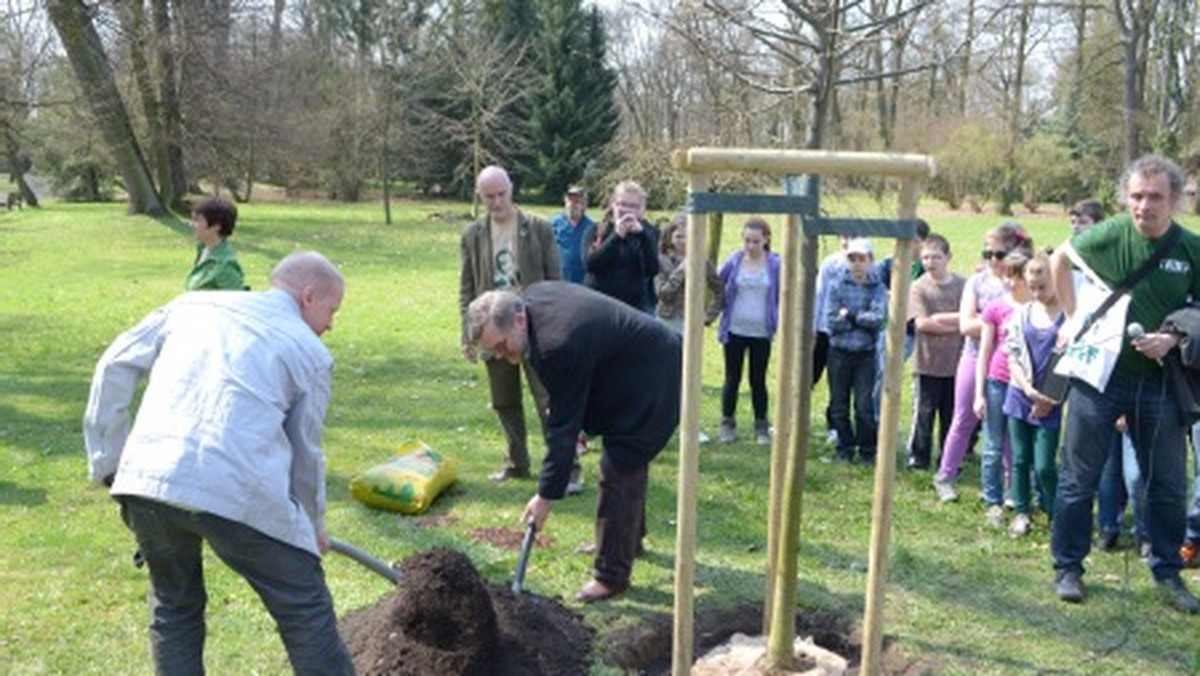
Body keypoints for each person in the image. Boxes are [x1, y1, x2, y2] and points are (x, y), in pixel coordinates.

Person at [83, 251, 354, 675]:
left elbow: (113, 364)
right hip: (236, 488)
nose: (330, 325)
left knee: (175, 608)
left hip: (147, 481)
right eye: (331, 310)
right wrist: (312, 527)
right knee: (306, 612)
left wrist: (109, 463)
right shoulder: (308, 351)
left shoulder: (191, 306)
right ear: (309, 296)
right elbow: (306, 454)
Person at [1049, 154, 1200, 614]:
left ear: (1174, 200)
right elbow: (1060, 258)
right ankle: (1068, 567)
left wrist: (1172, 338)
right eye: (1136, 196)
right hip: (1101, 378)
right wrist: (1073, 319)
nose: (1143, 206)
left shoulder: (1191, 249)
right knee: (1079, 478)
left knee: (1169, 485)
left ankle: (1168, 569)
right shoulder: (1110, 233)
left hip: (1159, 385)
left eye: (1154, 197)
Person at [465, 283, 681, 603]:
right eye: (492, 350)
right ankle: (626, 540)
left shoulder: (555, 344)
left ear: (519, 320)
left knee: (620, 463)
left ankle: (611, 576)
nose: (500, 355)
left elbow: (562, 429)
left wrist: (545, 496)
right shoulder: (532, 303)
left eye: (500, 345)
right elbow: (568, 402)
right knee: (622, 457)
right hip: (627, 367)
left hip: (656, 372)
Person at [459, 165, 561, 484]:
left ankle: (564, 467)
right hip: (491, 330)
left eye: (501, 194)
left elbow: (555, 280)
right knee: (504, 401)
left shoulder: (538, 228)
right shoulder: (472, 235)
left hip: (532, 327)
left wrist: (554, 328)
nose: (496, 201)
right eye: (489, 196)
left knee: (548, 399)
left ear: (511, 190)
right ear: (481, 196)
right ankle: (517, 462)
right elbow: (466, 287)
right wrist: (468, 335)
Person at [926, 222, 1024, 482]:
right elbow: (966, 325)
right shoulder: (977, 282)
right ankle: (946, 475)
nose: (992, 260)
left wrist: (987, 320)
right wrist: (998, 322)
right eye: (987, 254)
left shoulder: (1020, 283)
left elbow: (1027, 321)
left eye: (999, 254)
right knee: (963, 418)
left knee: (1006, 426)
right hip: (974, 355)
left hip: (1009, 362)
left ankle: (1013, 482)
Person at [1002, 251, 1064, 537]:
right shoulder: (1022, 314)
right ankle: (1022, 512)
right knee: (1020, 459)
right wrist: (1027, 390)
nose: (1037, 293)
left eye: (1043, 287)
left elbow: (1071, 363)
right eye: (1032, 287)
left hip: (1050, 402)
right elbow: (1012, 355)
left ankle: (1055, 514)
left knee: (1044, 465)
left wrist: (1048, 399)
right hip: (1019, 395)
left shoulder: (1068, 317)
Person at [973, 249, 1031, 524]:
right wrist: (978, 393)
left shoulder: (1037, 307)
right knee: (993, 444)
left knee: (1022, 447)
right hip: (998, 379)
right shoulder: (996, 307)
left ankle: (1020, 498)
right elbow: (985, 350)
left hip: (1026, 385)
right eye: (1008, 276)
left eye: (1017, 277)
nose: (1011, 282)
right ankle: (992, 500)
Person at [717, 218, 782, 445]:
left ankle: (761, 426)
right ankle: (727, 423)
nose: (751, 246)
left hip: (761, 332)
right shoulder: (735, 261)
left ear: (766, 239)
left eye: (755, 241)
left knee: (758, 379)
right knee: (732, 377)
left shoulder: (774, 264)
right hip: (735, 329)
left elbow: (785, 291)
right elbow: (717, 282)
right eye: (747, 241)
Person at [906, 234, 966, 474]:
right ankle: (918, 457)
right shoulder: (918, 287)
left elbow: (971, 318)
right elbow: (921, 324)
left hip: (957, 362)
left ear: (948, 257)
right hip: (927, 362)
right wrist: (956, 324)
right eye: (926, 257)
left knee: (952, 414)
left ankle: (949, 457)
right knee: (924, 412)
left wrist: (940, 320)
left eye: (936, 257)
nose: (931, 262)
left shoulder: (963, 285)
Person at [826, 238, 887, 463]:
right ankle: (844, 447)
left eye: (862, 259)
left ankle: (867, 450)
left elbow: (878, 319)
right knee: (838, 404)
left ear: (870, 260)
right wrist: (861, 319)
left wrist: (850, 316)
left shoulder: (878, 287)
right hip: (839, 352)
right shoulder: (836, 285)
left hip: (865, 354)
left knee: (864, 405)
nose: (857, 264)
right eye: (852, 258)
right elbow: (832, 321)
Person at [582, 180, 660, 312]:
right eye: (622, 204)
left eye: (633, 206)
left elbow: (652, 269)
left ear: (641, 209)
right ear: (613, 205)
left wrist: (642, 236)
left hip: (634, 309)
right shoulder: (597, 230)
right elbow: (590, 265)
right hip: (599, 305)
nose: (626, 210)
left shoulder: (649, 233)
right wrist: (617, 236)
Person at [654, 211, 723, 333]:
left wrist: (709, 316)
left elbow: (719, 290)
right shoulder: (661, 260)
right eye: (679, 236)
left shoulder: (701, 260)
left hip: (692, 320)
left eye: (688, 236)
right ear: (670, 238)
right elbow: (663, 294)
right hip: (666, 319)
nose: (683, 241)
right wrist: (680, 271)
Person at [185, 196, 245, 291]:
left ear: (216, 226)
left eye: (197, 220)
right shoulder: (203, 249)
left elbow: (236, 302)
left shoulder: (226, 266)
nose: (191, 224)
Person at [552, 186, 594, 284]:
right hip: (560, 281)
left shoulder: (591, 227)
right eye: (569, 200)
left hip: (582, 283)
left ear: (584, 205)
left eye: (576, 201)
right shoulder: (555, 224)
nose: (572, 204)